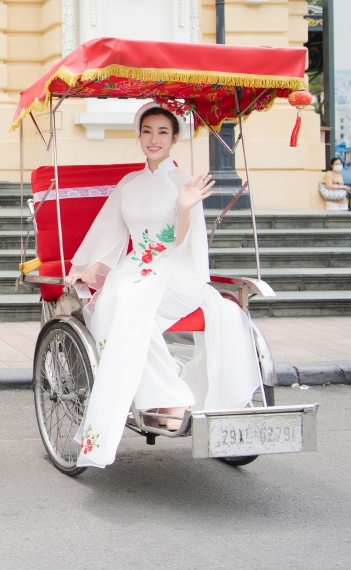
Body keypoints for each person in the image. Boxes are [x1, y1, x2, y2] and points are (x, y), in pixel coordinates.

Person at [63, 102, 262, 469]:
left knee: (136, 301)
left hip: (175, 271)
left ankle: (171, 397)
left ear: (174, 139)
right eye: (148, 131)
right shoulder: (129, 183)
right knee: (111, 303)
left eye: (163, 133)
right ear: (140, 135)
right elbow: (111, 232)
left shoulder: (182, 182)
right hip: (134, 268)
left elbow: (184, 242)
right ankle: (154, 395)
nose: (154, 139)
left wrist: (184, 208)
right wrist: (91, 271)